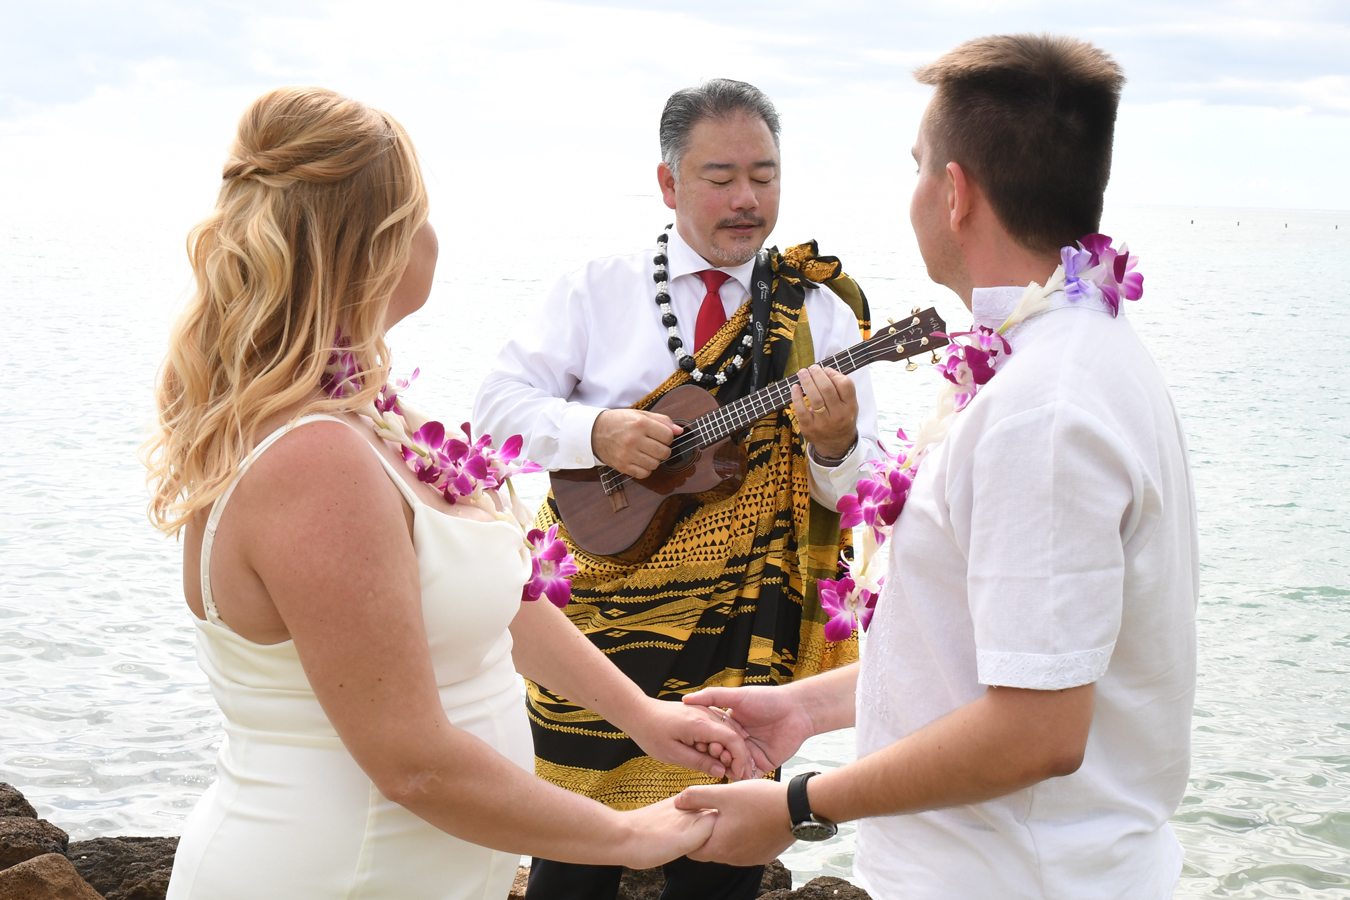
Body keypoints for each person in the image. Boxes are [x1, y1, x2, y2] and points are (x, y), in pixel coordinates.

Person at [141, 86, 756, 900]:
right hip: (331, 877)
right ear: (380, 244)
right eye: (421, 215)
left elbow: (498, 598)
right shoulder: (314, 459)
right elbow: (413, 763)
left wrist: (642, 715)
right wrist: (629, 837)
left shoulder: (373, 418)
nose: (435, 237)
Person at [676, 35, 1200, 900]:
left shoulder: (1043, 408)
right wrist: (808, 709)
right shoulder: (1070, 355)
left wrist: (797, 808)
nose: (915, 190)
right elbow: (983, 651)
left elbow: (1037, 732)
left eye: (920, 166)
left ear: (954, 193)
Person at [473, 79, 882, 900]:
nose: (747, 199)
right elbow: (495, 412)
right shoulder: (596, 287)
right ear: (668, 183)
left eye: (764, 177)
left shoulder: (821, 316)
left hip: (747, 618)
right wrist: (600, 432)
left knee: (720, 852)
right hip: (596, 621)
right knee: (571, 855)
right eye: (720, 176)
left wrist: (834, 446)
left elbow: (861, 487)